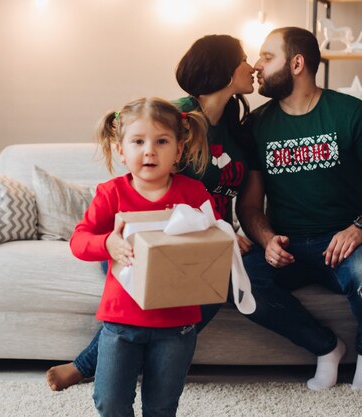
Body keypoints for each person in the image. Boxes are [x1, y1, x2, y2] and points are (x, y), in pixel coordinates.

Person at [47, 34, 258, 391]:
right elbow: (138, 183)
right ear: (224, 70)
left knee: (228, 285)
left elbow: (218, 202)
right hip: (141, 239)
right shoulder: (173, 118)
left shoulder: (238, 127)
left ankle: (155, 363)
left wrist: (223, 232)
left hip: (205, 239)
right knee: (160, 291)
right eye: (244, 59)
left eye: (161, 143)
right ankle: (90, 365)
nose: (251, 67)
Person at [237, 27, 362, 391]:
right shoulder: (256, 125)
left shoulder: (350, 114)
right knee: (236, 282)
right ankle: (327, 347)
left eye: (267, 57)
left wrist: (361, 227)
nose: (257, 65)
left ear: (297, 63)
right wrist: (267, 239)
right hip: (287, 246)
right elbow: (251, 205)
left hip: (347, 242)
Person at [71, 96, 215, 416]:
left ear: (179, 150)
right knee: (109, 401)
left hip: (177, 325)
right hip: (121, 323)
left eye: (161, 141)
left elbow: (213, 239)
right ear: (122, 150)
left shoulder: (193, 194)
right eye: (138, 141)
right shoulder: (112, 193)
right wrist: (108, 243)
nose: (149, 150)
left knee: (161, 407)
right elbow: (79, 240)